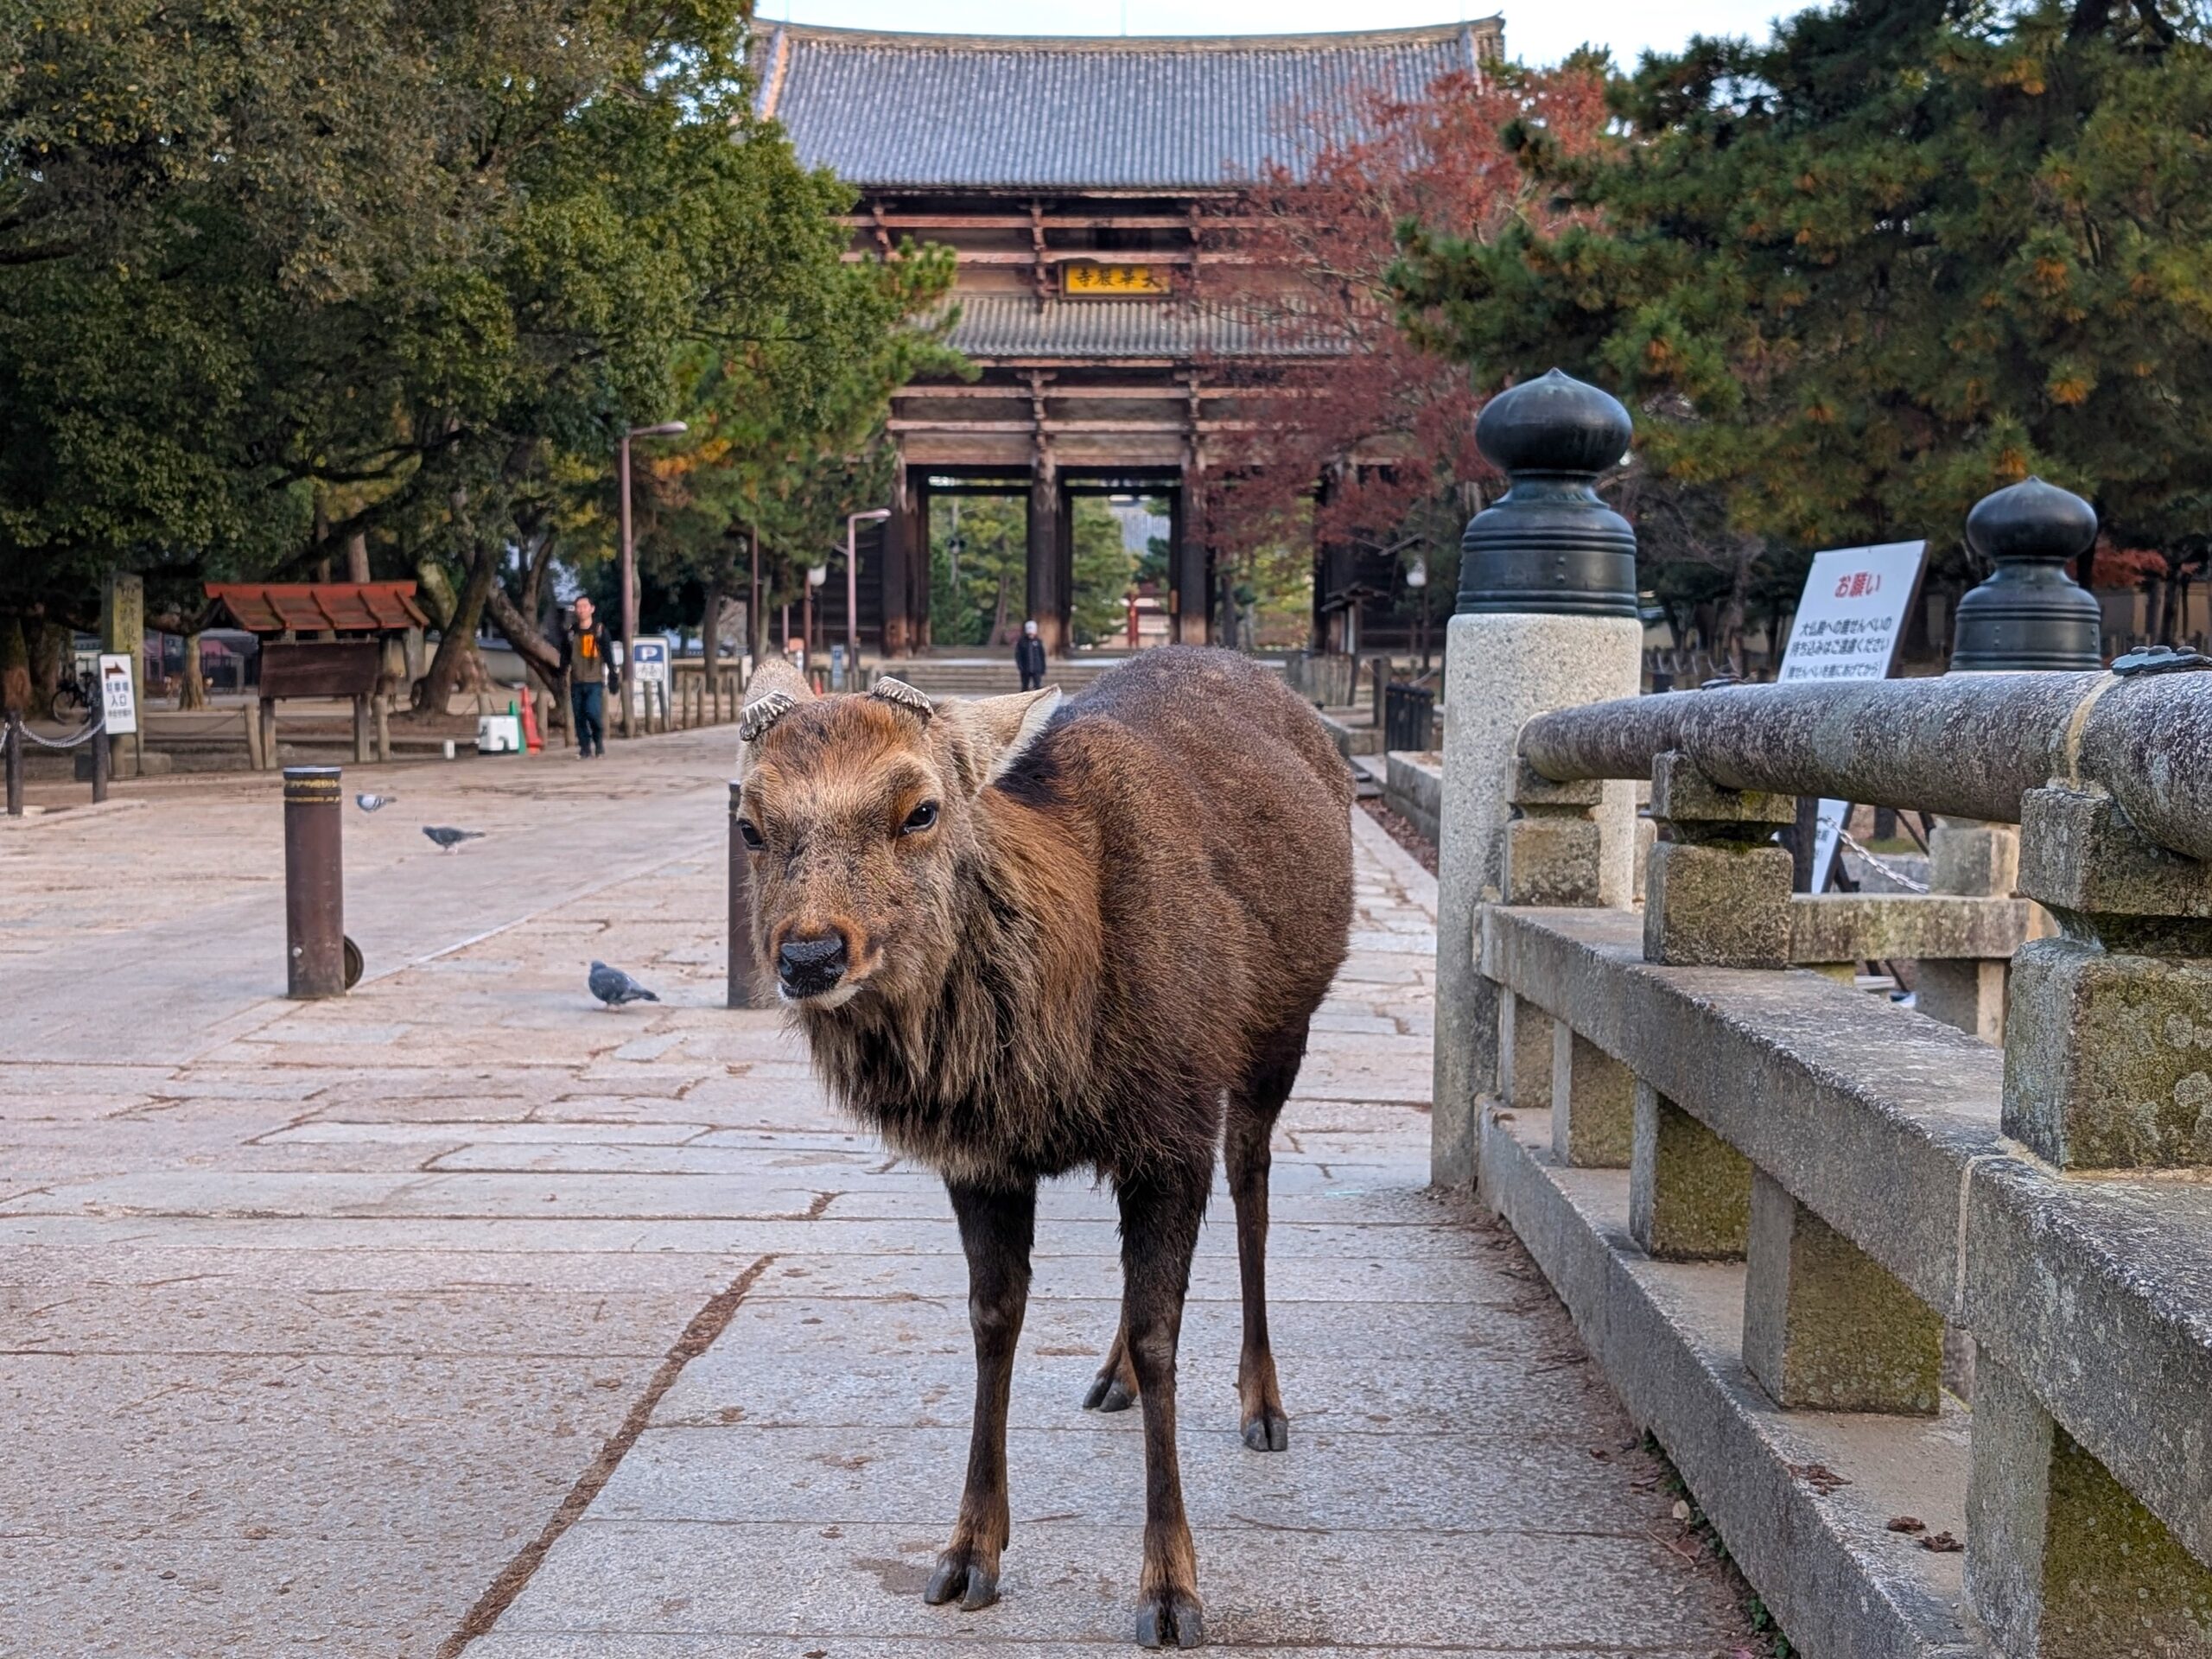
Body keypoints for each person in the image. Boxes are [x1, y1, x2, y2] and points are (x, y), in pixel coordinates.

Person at [559, 596, 618, 759]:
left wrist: (613, 674)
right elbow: (565, 656)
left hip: (595, 681)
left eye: (585, 606)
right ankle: (585, 748)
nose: (581, 609)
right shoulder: (571, 632)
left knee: (593, 712)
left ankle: (598, 741)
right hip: (576, 681)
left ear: (592, 609)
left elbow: (608, 654)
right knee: (579, 717)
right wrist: (562, 673)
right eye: (578, 606)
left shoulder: (600, 630)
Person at [1015, 618, 1047, 691]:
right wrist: (1020, 667)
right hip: (1025, 668)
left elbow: (1042, 655)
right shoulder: (1022, 642)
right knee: (1024, 687)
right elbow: (1018, 655)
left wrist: (1043, 668)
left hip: (1036, 668)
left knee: (1037, 686)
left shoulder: (1038, 641)